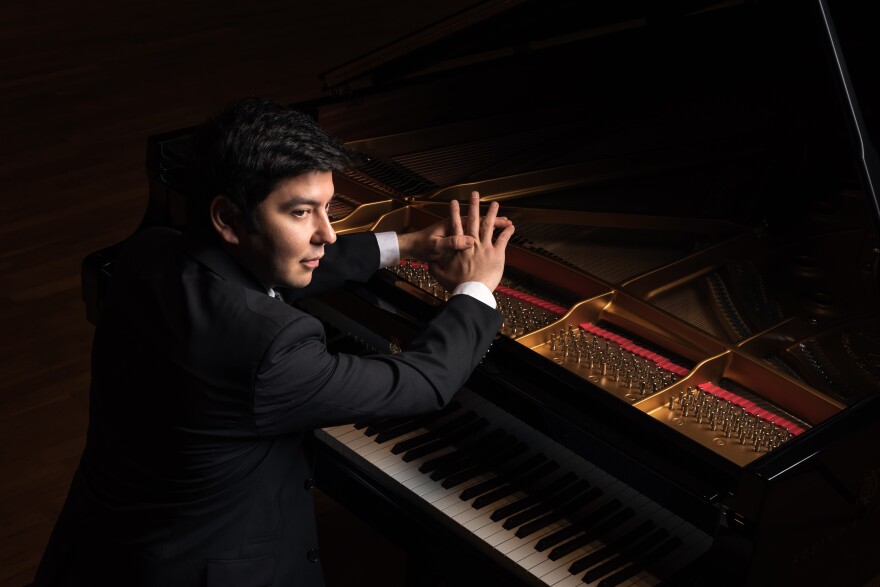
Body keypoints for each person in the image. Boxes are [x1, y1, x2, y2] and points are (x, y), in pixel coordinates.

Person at [33, 96, 514, 587]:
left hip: (107, 547)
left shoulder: (150, 252)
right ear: (227, 218)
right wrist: (475, 288)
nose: (327, 233)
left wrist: (403, 244)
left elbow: (269, 273)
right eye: (302, 212)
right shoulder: (269, 346)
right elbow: (423, 383)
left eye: (328, 208)